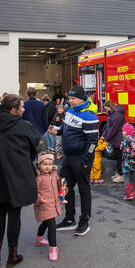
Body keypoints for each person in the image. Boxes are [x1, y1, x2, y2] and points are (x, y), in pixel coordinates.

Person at [0, 94, 41, 268]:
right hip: (17, 176)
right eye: (21, 106)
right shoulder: (24, 127)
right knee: (14, 213)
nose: (24, 109)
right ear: (13, 110)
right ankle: (12, 254)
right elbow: (34, 148)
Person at [50, 85, 98, 235]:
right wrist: (56, 130)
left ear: (81, 98)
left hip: (80, 160)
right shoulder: (69, 111)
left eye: (73, 98)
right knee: (64, 188)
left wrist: (86, 161)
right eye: (69, 98)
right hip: (67, 158)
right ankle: (69, 219)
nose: (70, 101)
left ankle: (85, 221)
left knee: (84, 191)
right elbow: (65, 129)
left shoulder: (90, 116)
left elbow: (92, 143)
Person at [33, 152, 66, 261]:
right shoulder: (38, 177)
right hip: (44, 204)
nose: (48, 167)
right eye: (45, 164)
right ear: (39, 164)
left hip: (53, 203)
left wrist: (63, 190)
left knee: (45, 222)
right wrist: (38, 199)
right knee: (52, 225)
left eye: (50, 164)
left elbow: (59, 184)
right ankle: (53, 249)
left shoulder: (54, 174)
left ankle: (39, 239)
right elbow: (33, 191)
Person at [102, 100, 126, 183]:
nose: (106, 110)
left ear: (110, 107)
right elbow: (109, 128)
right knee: (118, 157)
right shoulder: (114, 114)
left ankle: (121, 175)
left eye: (106, 108)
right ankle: (118, 173)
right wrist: (104, 136)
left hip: (118, 139)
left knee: (119, 158)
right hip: (116, 139)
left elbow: (112, 129)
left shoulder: (116, 116)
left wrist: (106, 139)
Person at [121, 123, 135, 200]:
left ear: (127, 132)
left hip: (128, 161)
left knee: (126, 176)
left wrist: (129, 155)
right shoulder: (134, 137)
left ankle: (129, 195)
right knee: (133, 176)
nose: (122, 132)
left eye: (123, 131)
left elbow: (134, 148)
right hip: (134, 162)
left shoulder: (128, 139)